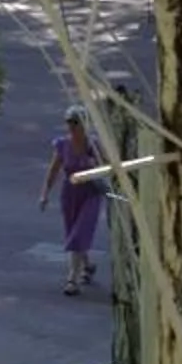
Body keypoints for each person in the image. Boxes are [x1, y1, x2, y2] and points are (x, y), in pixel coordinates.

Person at [39, 106, 107, 294]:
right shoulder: (62, 145)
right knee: (74, 234)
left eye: (75, 123)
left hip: (90, 193)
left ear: (84, 124)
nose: (71, 127)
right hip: (70, 194)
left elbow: (108, 166)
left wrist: (96, 165)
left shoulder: (93, 145)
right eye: (69, 122)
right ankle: (87, 265)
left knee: (79, 234)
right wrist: (44, 194)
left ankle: (72, 280)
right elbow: (53, 170)